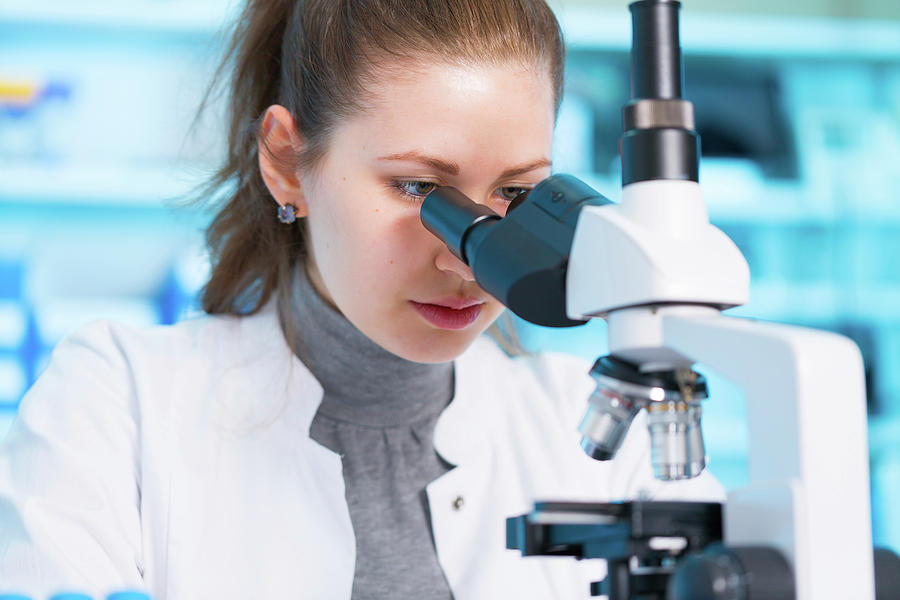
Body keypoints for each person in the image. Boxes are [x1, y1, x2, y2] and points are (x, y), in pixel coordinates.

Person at [0, 0, 722, 598]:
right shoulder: (118, 400)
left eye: (515, 193)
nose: (464, 258)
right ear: (287, 162)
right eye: (417, 189)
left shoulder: (598, 428)